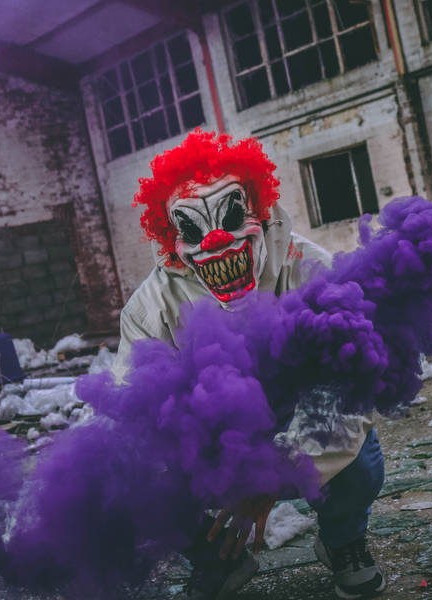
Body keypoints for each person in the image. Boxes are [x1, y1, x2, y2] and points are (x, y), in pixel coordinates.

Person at [113, 129, 386, 600]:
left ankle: (343, 540)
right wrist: (211, 468)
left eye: (231, 217)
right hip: (212, 445)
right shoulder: (150, 307)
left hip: (299, 425)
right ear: (172, 237)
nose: (216, 240)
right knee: (128, 471)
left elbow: (350, 390)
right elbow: (130, 407)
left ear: (259, 210)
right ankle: (217, 557)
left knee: (359, 460)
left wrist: (273, 474)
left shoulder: (309, 268)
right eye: (192, 229)